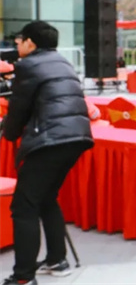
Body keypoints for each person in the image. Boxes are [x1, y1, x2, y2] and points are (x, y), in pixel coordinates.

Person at [0, 21, 94, 285]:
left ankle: (23, 277)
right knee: (45, 198)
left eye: (20, 39)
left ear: (31, 43)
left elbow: (18, 109)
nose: (16, 43)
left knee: (23, 206)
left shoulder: (29, 65)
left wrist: (8, 133)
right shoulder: (62, 62)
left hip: (50, 140)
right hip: (75, 137)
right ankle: (57, 260)